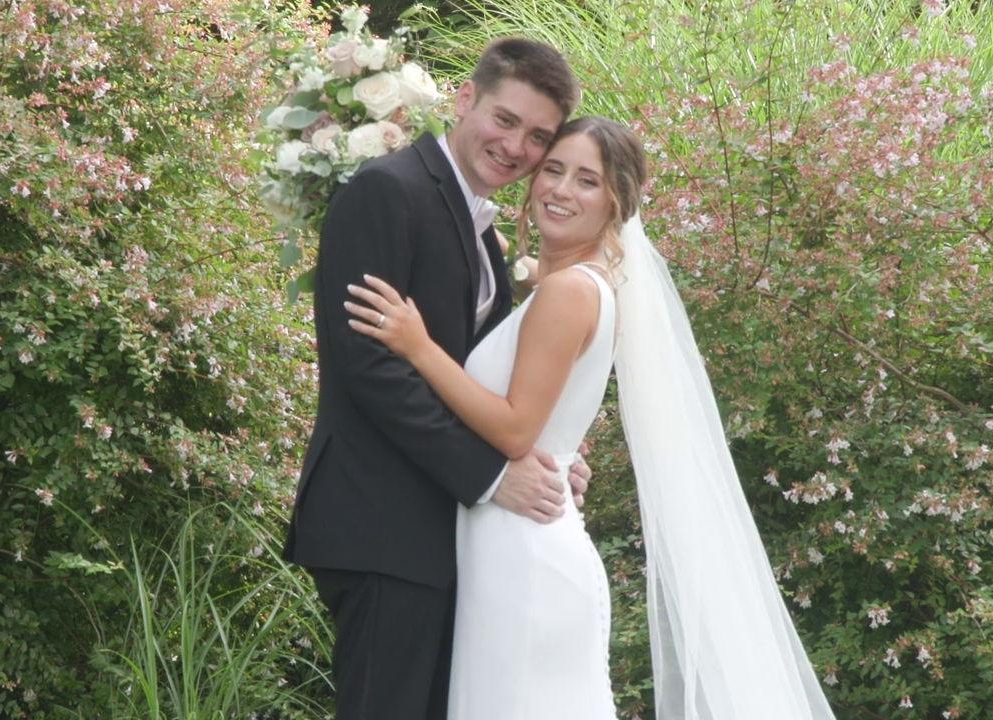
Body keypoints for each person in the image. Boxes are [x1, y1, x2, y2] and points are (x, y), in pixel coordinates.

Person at [344, 117, 837, 719]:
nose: (560, 189)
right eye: (552, 170)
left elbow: (516, 430)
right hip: (509, 545)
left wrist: (418, 347)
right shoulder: (569, 284)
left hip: (525, 559)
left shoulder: (570, 292)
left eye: (586, 180)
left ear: (616, 202)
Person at [282, 37, 594, 720]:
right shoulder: (387, 191)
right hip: (382, 522)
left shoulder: (479, 229)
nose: (515, 147)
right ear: (465, 99)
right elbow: (371, 369)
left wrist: (546, 457)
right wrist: (493, 475)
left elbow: (480, 379)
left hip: (438, 533)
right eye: (505, 120)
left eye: (537, 136)